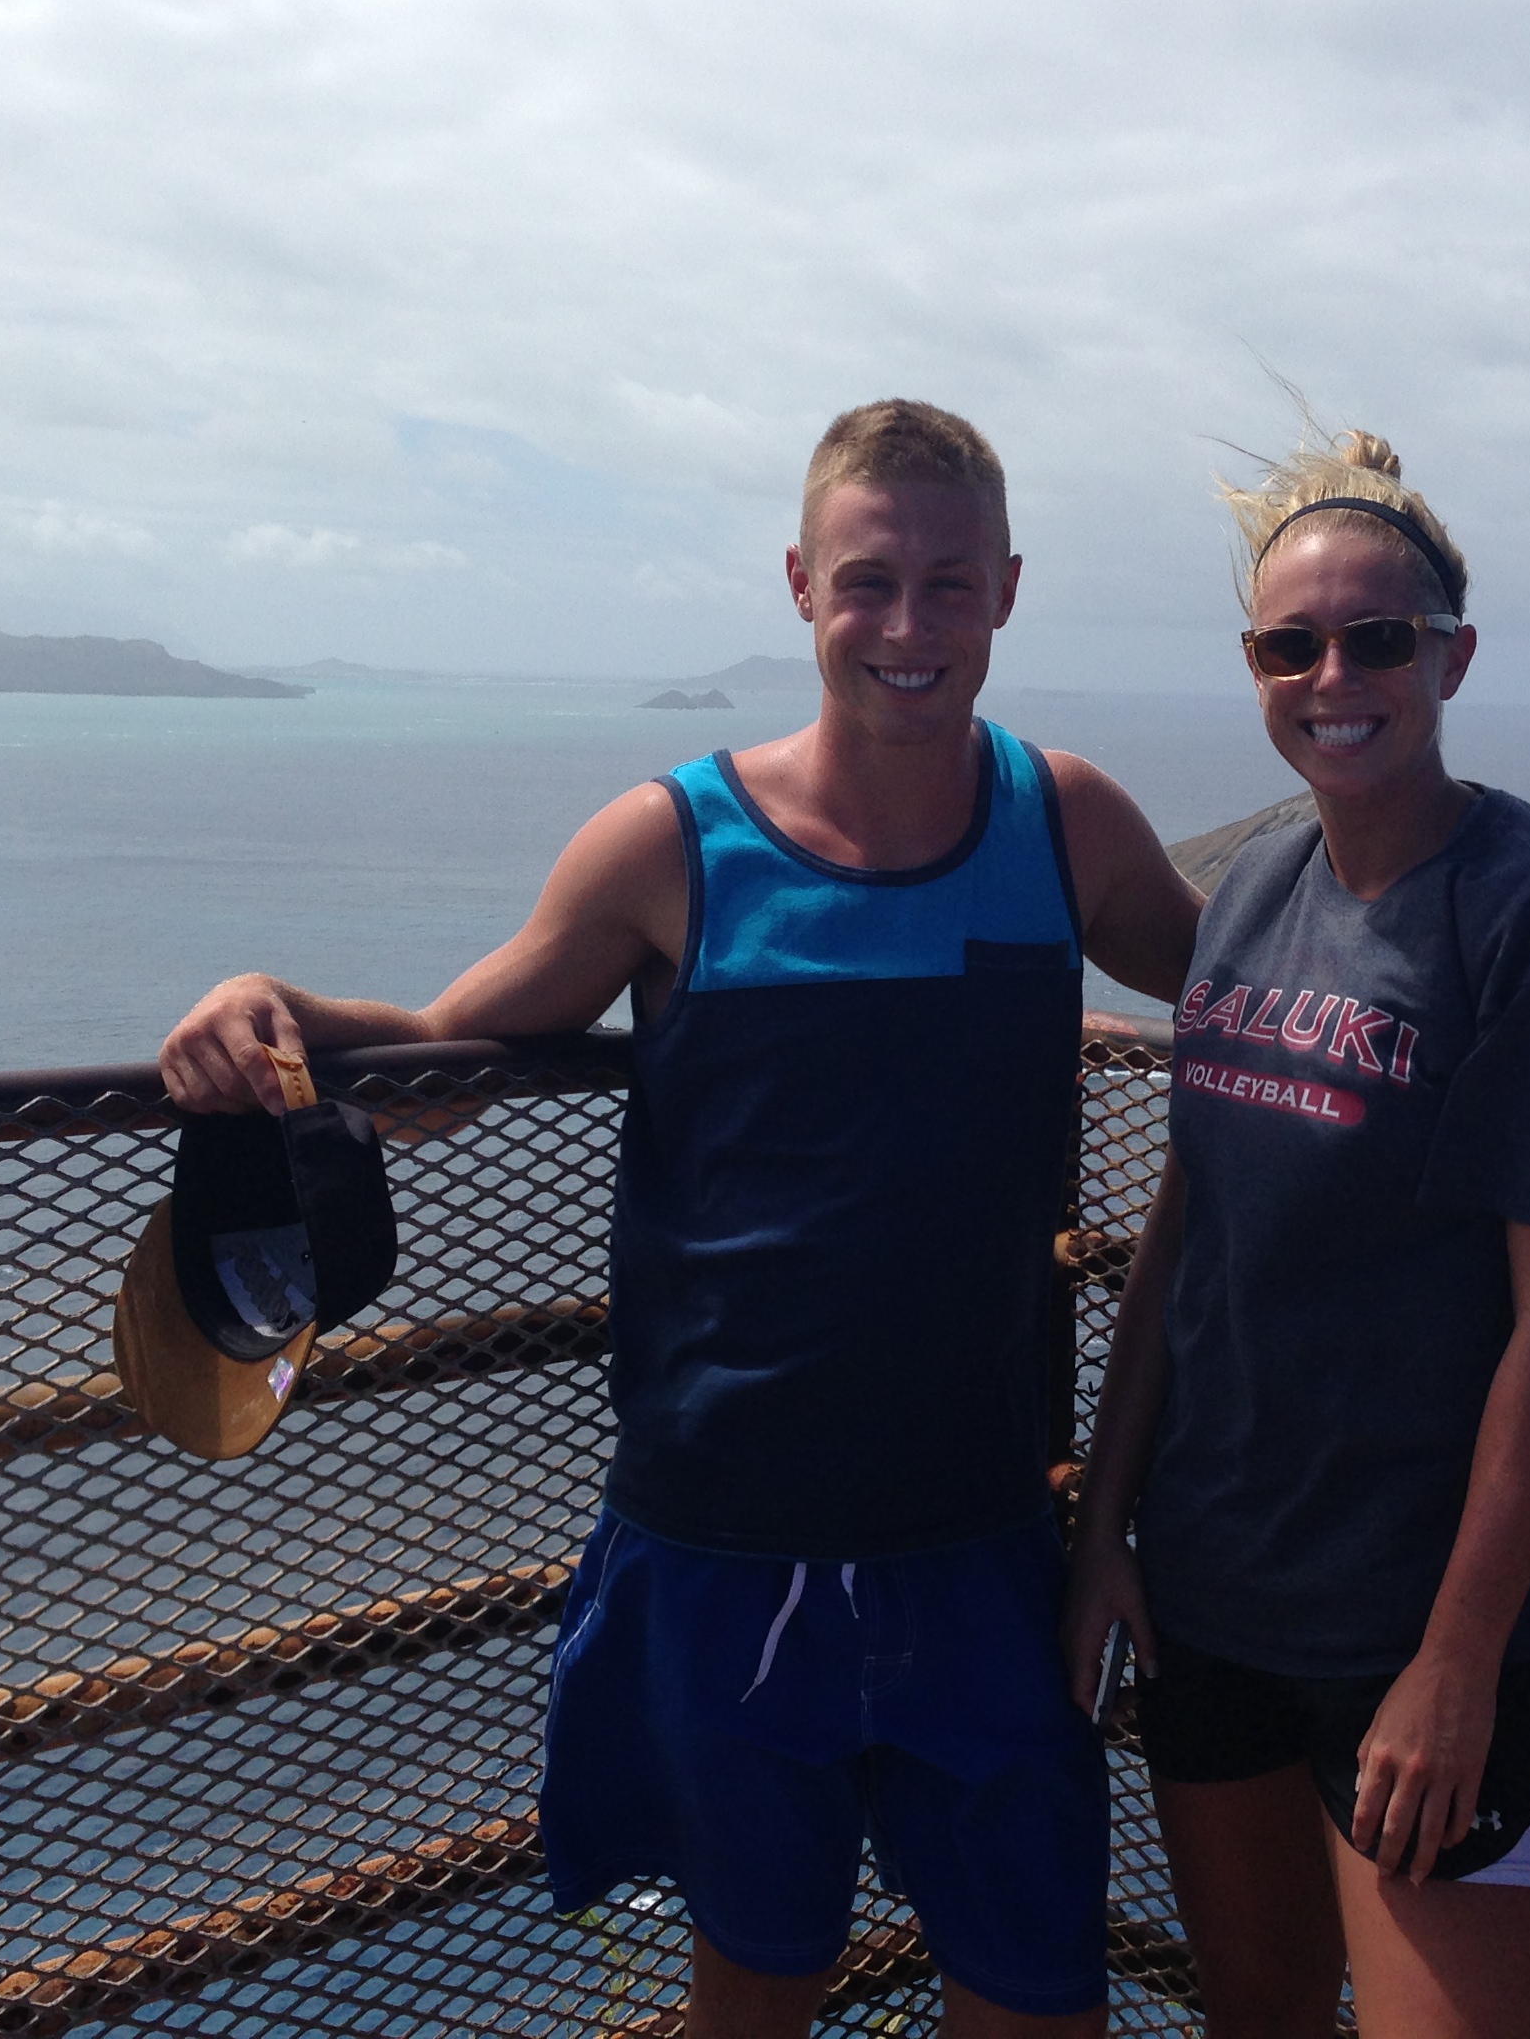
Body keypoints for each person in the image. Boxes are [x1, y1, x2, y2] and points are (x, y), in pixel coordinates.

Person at [161, 400, 1202, 2039]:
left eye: (949, 584)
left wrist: (1483, 991)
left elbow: (1262, 994)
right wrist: (272, 1002)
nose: (909, 625)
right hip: (724, 1540)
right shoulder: (677, 842)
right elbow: (448, 1060)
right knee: (753, 1989)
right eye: (868, 582)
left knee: (1036, 1996)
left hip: (985, 1538)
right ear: (800, 585)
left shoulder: (1064, 822)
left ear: (1008, 589)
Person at [1061, 428, 1530, 2039]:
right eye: (1291, 646)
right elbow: (1183, 1239)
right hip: (1214, 1593)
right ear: (1254, 668)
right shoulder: (1252, 895)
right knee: (1255, 2014)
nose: (1334, 677)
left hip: (1418, 1621)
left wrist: (1460, 1661)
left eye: (1377, 639)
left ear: (1451, 657)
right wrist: (1105, 1531)